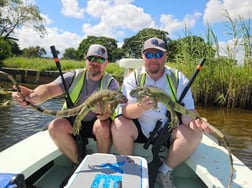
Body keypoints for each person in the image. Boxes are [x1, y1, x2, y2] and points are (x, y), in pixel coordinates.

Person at [111, 37, 210, 188]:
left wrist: (194, 122)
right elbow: (125, 111)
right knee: (118, 124)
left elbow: (188, 110)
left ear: (165, 56)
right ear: (143, 56)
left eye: (158, 54)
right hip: (140, 128)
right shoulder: (133, 78)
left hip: (168, 129)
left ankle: (164, 171)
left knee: (194, 133)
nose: (153, 59)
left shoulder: (178, 78)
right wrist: (141, 107)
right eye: (149, 55)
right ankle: (129, 168)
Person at [12, 44, 120, 165]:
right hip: (73, 120)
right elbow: (49, 89)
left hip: (97, 122)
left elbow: (108, 113)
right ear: (86, 60)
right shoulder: (73, 76)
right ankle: (78, 163)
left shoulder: (112, 83)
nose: (95, 63)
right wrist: (35, 96)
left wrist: (101, 111)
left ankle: (102, 162)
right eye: (91, 59)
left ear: (106, 63)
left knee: (103, 126)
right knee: (54, 126)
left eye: (100, 59)